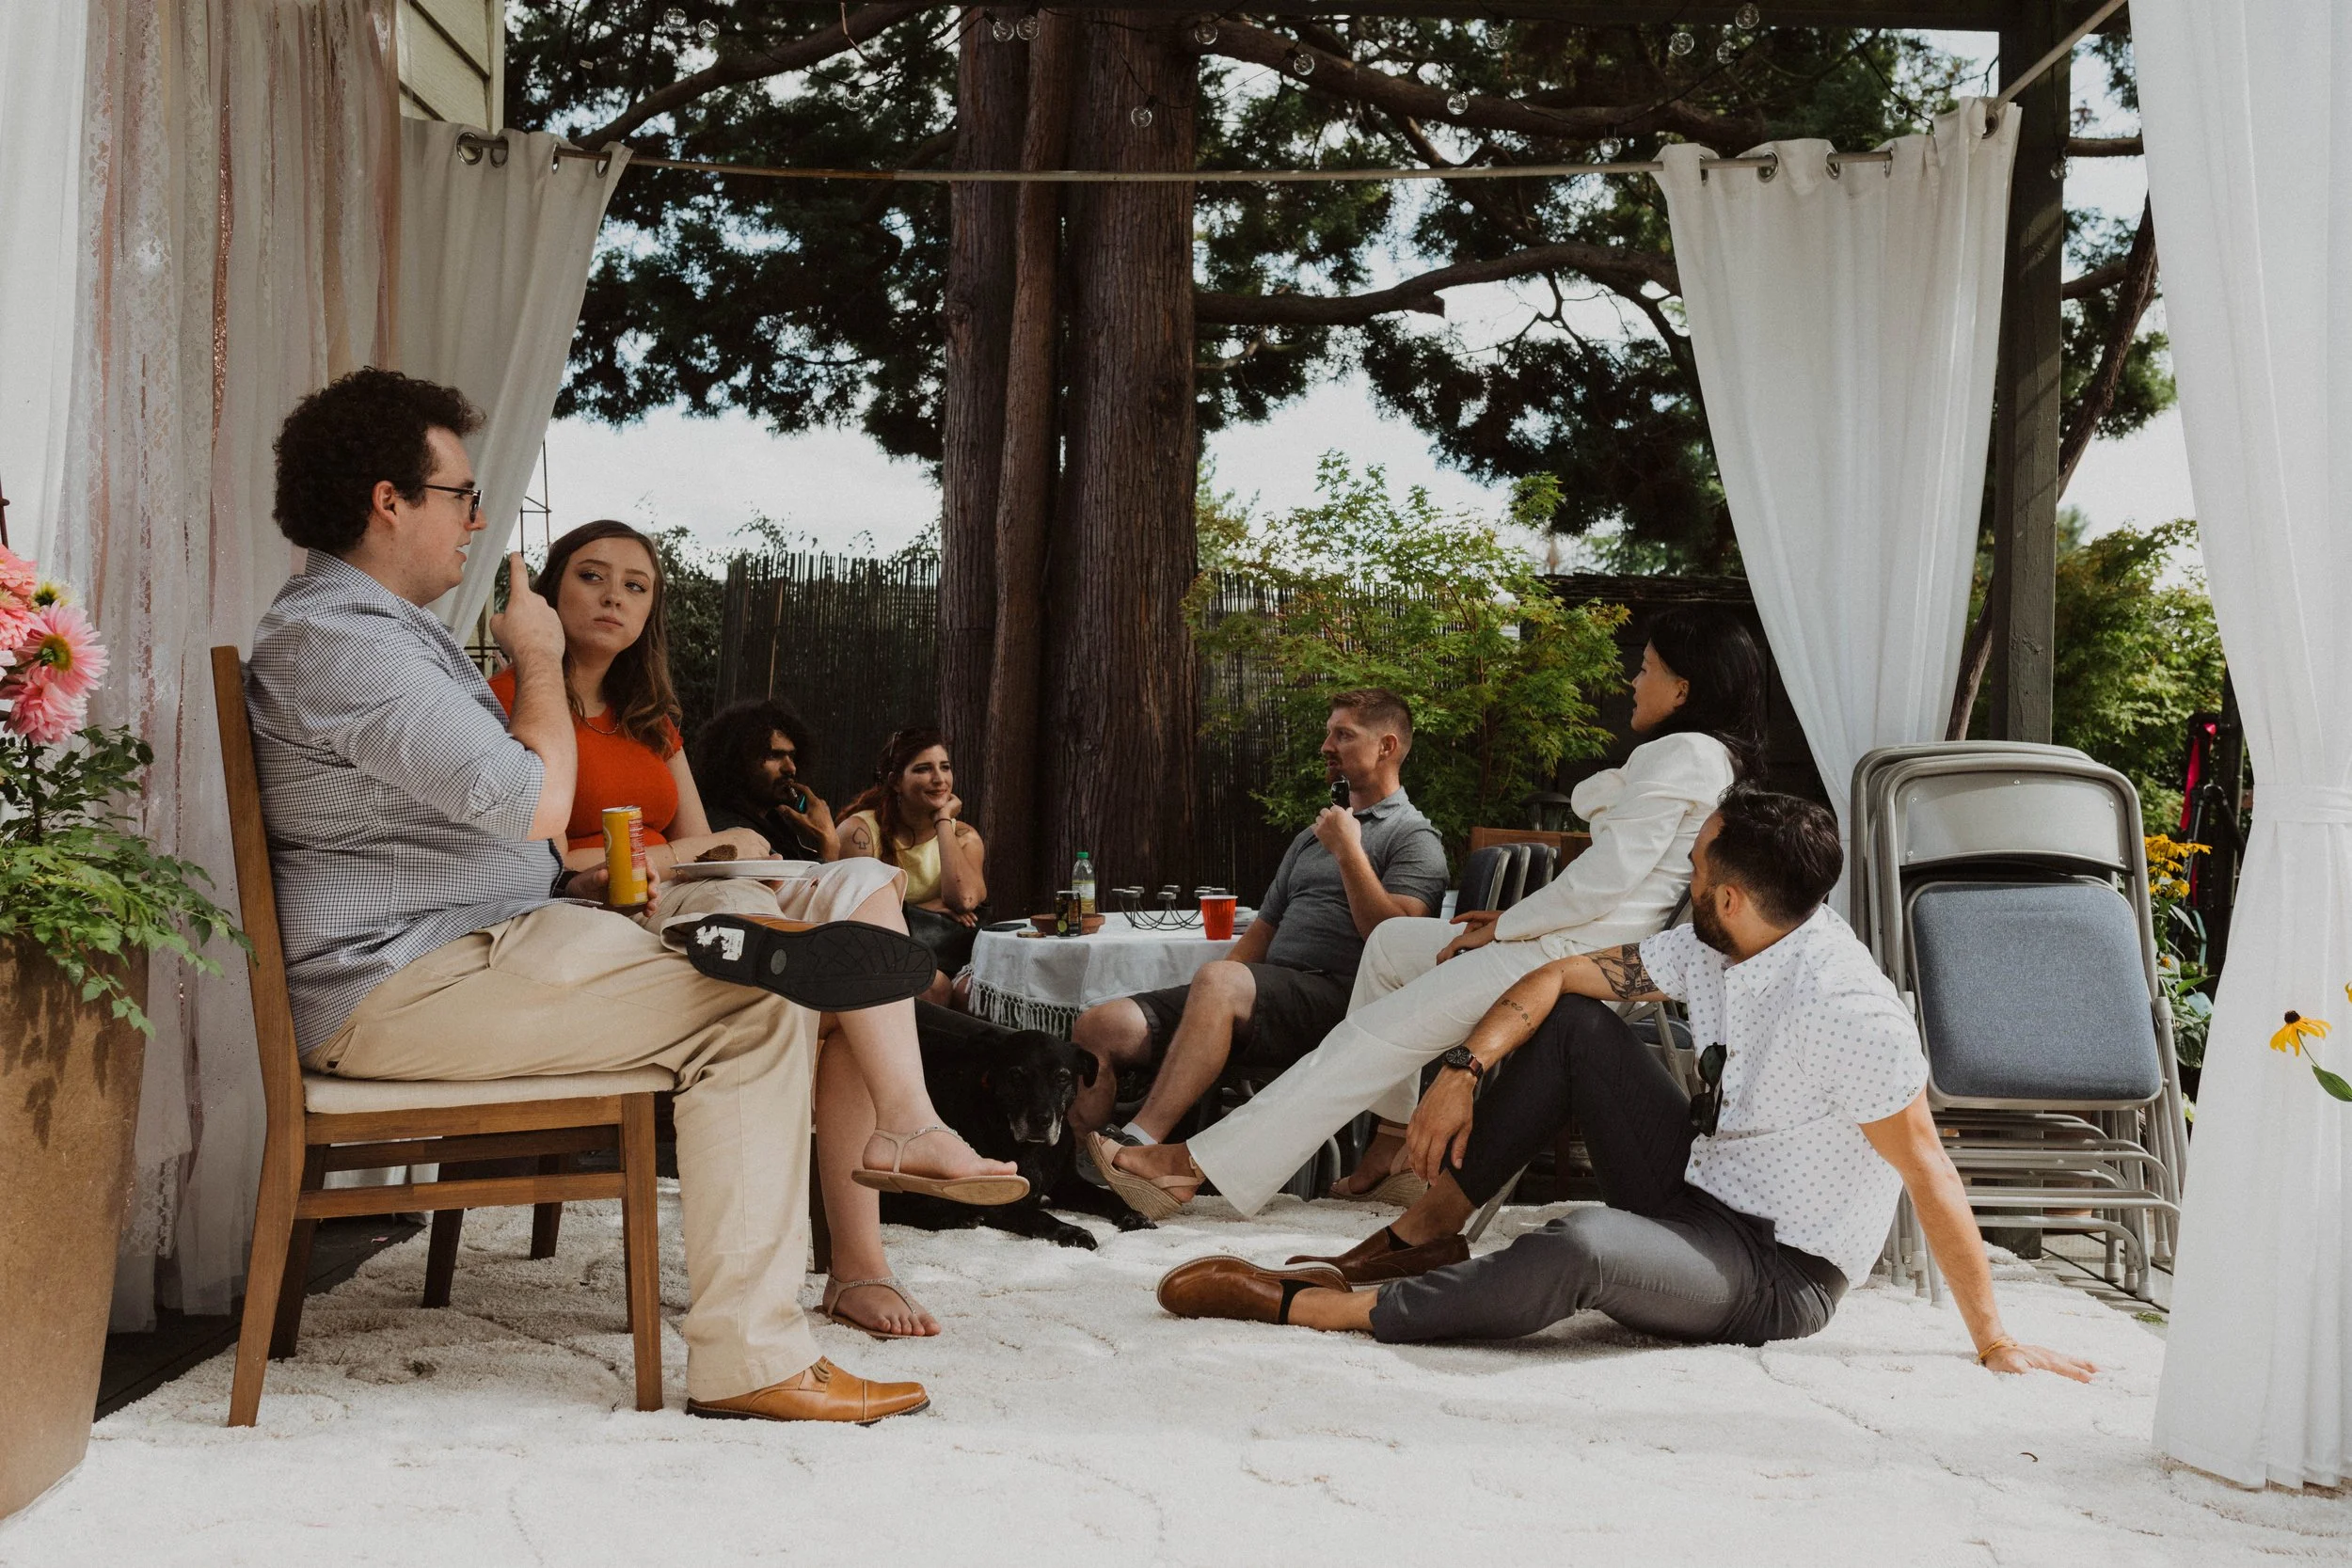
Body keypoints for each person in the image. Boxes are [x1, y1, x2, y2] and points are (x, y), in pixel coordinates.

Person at [246, 368, 960, 1424]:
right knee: (756, 1006)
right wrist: (535, 657)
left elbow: (488, 825)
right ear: (389, 500)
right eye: (460, 495)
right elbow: (525, 794)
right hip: (402, 982)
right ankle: (754, 1354)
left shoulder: (375, 632)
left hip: (477, 946)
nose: (475, 519)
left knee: (768, 945)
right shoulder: (341, 641)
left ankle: (799, 943)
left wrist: (574, 875)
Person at [1153, 787, 2101, 1387]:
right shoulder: (1722, 938)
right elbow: (1561, 977)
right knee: (1575, 1028)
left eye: (1695, 866)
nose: (1684, 877)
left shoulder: (1845, 1008)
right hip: (1696, 1185)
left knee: (1583, 1242)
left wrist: (1994, 1338)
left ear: (1729, 895)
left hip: (1774, 1271)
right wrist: (1462, 1071)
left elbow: (1929, 1170)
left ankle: (1317, 1306)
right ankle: (1415, 1235)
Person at [489, 518, 1024, 1339]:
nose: (613, 598)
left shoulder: (651, 720)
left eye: (636, 586)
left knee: (863, 887)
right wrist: (696, 849)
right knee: (841, 993)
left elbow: (708, 840)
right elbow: (547, 851)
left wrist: (712, 850)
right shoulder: (513, 697)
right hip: (598, 918)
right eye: (592, 577)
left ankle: (897, 1152)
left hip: (691, 898)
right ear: (551, 589)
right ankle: (877, 1213)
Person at [1091, 611, 1763, 1232]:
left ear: (1684, 688)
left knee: (1372, 1034)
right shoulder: (1701, 757)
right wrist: (1507, 919)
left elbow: (1608, 879)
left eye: (1646, 667)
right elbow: (1618, 876)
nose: (1632, 679)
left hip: (1577, 956)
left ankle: (1191, 1167)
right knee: (1391, 943)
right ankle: (1390, 1140)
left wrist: (1503, 929)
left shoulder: (1685, 754)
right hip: (1582, 935)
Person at [1069, 690, 1448, 1171]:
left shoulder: (1414, 838)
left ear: (1387, 746)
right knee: (1100, 1025)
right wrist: (1202, 999)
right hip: (1263, 995)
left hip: (1343, 1002)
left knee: (1221, 983)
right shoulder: (1310, 839)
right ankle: (1078, 1167)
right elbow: (1260, 935)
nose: (1326, 746)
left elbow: (1398, 945)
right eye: (1329, 733)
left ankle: (1139, 1148)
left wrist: (1349, 852)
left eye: (1343, 735)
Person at [839, 729, 987, 1002]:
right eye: (923, 769)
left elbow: (964, 900)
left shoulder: (964, 836)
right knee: (934, 985)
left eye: (945, 767)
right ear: (896, 782)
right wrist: (924, 910)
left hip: (950, 952)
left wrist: (942, 820)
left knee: (975, 992)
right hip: (881, 955)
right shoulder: (859, 832)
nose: (939, 779)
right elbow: (860, 916)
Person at [692, 696, 839, 862]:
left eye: (792, 756)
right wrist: (829, 843)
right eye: (773, 755)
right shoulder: (729, 828)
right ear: (737, 761)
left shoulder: (773, 822)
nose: (790, 768)